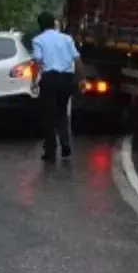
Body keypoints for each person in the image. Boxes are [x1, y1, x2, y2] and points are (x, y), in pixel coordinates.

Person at [32, 11, 82, 162]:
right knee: (61, 111)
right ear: (53, 23)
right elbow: (77, 59)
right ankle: (65, 143)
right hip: (66, 79)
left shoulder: (38, 40)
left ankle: (50, 149)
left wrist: (34, 81)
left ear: (40, 25)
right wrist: (82, 79)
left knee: (48, 114)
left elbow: (37, 62)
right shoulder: (67, 38)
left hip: (49, 79)